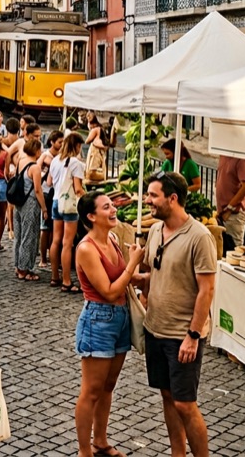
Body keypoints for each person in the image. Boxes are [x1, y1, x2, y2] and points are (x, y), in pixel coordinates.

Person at [141, 172, 215, 457]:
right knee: (168, 396)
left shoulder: (199, 237)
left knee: (185, 403)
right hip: (156, 329)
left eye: (153, 195)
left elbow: (206, 290)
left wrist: (193, 335)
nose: (148, 201)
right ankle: (177, 454)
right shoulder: (155, 231)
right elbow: (152, 271)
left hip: (182, 335)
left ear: (172, 199)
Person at [73, 192, 144, 457]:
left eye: (112, 205)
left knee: (108, 386)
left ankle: (100, 442)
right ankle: (84, 451)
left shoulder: (112, 239)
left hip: (121, 319)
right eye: (107, 207)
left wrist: (145, 276)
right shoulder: (86, 249)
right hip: (98, 321)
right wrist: (134, 263)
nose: (113, 209)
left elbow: (125, 281)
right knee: (91, 391)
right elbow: (110, 291)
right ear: (91, 217)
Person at [49, 133, 86, 293]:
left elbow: (49, 182)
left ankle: (54, 276)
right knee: (67, 243)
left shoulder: (55, 160)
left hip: (56, 201)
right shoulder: (76, 163)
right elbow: (77, 188)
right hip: (69, 204)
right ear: (76, 146)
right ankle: (66, 280)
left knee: (56, 240)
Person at [11, 139, 47, 281]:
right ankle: (25, 270)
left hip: (19, 202)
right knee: (29, 236)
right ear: (37, 151)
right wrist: (44, 208)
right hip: (30, 203)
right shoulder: (35, 167)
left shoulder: (21, 161)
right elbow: (38, 190)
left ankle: (18, 265)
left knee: (19, 236)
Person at [215, 156, 245, 250]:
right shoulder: (224, 156)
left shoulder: (242, 159)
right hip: (224, 212)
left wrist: (230, 208)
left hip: (234, 213)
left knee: (234, 250)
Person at [39, 130, 64, 271]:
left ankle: (51, 255)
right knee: (46, 227)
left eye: (63, 142)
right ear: (52, 142)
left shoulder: (60, 157)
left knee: (54, 228)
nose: (61, 145)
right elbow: (46, 179)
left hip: (56, 193)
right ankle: (43, 258)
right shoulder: (46, 156)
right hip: (47, 193)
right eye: (59, 142)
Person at [83, 116, 109, 184]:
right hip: (100, 150)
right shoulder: (101, 129)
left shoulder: (95, 129)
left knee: (91, 173)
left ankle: (103, 176)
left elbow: (87, 141)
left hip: (96, 151)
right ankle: (104, 175)